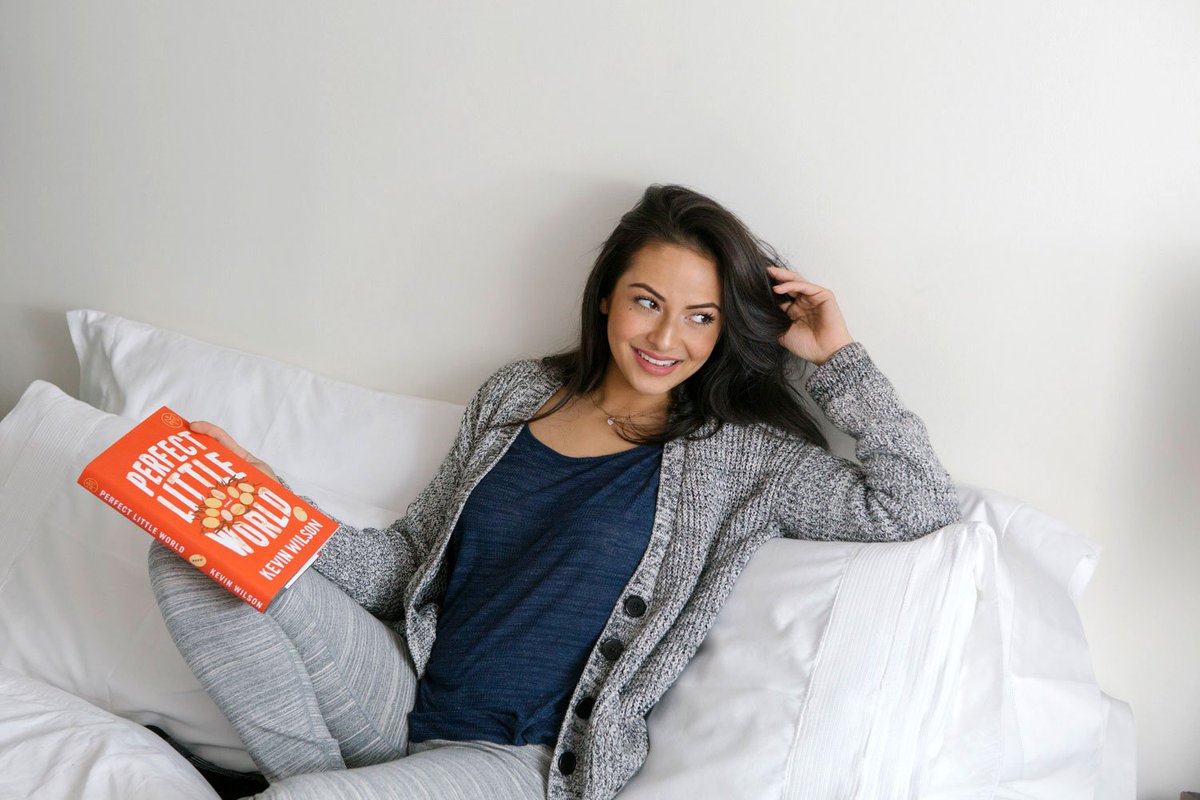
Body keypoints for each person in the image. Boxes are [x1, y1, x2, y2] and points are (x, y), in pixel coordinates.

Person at [148, 183, 962, 800]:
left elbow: (917, 501)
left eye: (700, 316)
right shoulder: (516, 395)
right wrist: (261, 496)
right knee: (191, 550)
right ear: (607, 296)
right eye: (647, 302)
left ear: (724, 329)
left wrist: (836, 360)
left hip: (520, 761)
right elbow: (403, 563)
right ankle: (325, 782)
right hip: (401, 690)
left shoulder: (743, 458)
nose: (666, 337)